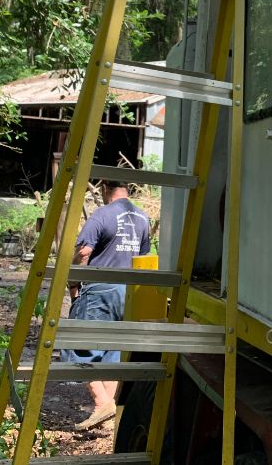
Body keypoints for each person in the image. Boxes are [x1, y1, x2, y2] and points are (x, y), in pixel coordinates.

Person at [63, 181, 151, 430]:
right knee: (113, 351)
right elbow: (142, 260)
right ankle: (108, 421)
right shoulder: (143, 219)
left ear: (104, 191)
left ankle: (102, 403)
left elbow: (83, 253)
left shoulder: (102, 214)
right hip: (129, 293)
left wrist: (72, 281)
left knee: (77, 345)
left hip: (100, 289)